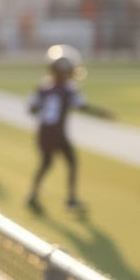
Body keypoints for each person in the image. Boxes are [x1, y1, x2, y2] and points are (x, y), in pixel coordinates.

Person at [26, 44, 113, 212]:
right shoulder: (67, 89)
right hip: (57, 133)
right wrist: (101, 113)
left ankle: (34, 195)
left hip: (44, 132)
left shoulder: (44, 87)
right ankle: (69, 198)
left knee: (47, 163)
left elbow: (32, 109)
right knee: (68, 162)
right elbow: (82, 106)